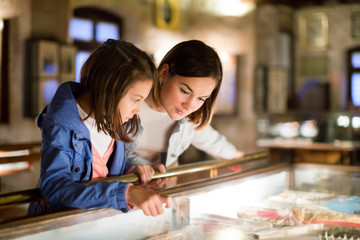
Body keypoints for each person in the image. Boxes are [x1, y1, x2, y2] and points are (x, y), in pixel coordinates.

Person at [28, 39, 172, 217]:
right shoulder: (61, 126)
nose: (138, 110)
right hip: (59, 226)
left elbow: (104, 166)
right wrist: (126, 193)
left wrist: (132, 171)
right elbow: (55, 186)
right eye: (136, 99)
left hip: (93, 222)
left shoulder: (113, 120)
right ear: (108, 89)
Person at [126, 40, 244, 184]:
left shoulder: (190, 119)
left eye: (201, 98)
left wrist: (235, 156)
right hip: (120, 189)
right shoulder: (128, 103)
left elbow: (211, 140)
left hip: (161, 190)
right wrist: (142, 167)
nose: (189, 105)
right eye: (184, 91)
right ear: (163, 74)